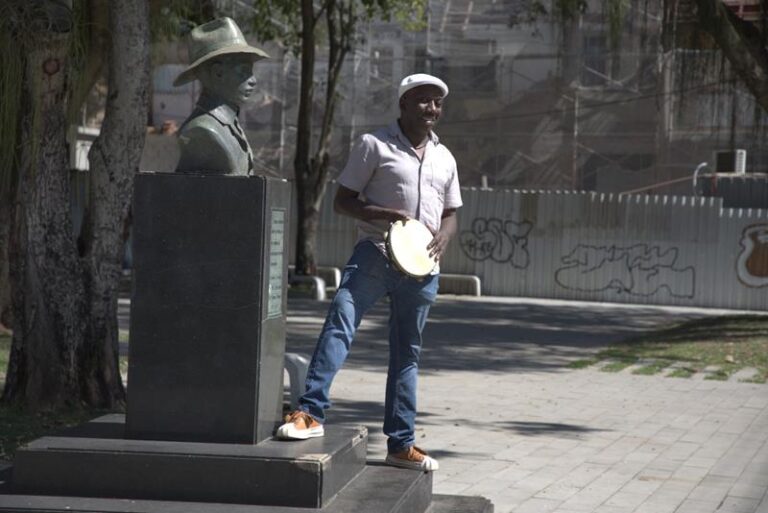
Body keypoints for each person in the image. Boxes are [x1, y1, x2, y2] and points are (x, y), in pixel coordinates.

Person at [276, 73, 462, 472]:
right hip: (375, 253)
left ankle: (400, 444)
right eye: (424, 101)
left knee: (407, 353)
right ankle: (310, 413)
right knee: (340, 321)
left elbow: (451, 213)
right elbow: (343, 201)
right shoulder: (373, 145)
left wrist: (445, 237)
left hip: (424, 268)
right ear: (404, 104)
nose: (432, 109)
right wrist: (383, 214)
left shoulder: (445, 157)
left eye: (438, 103)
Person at [173, 17, 268, 175]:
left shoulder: (229, 125)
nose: (253, 80)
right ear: (218, 73)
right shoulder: (202, 131)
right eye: (244, 71)